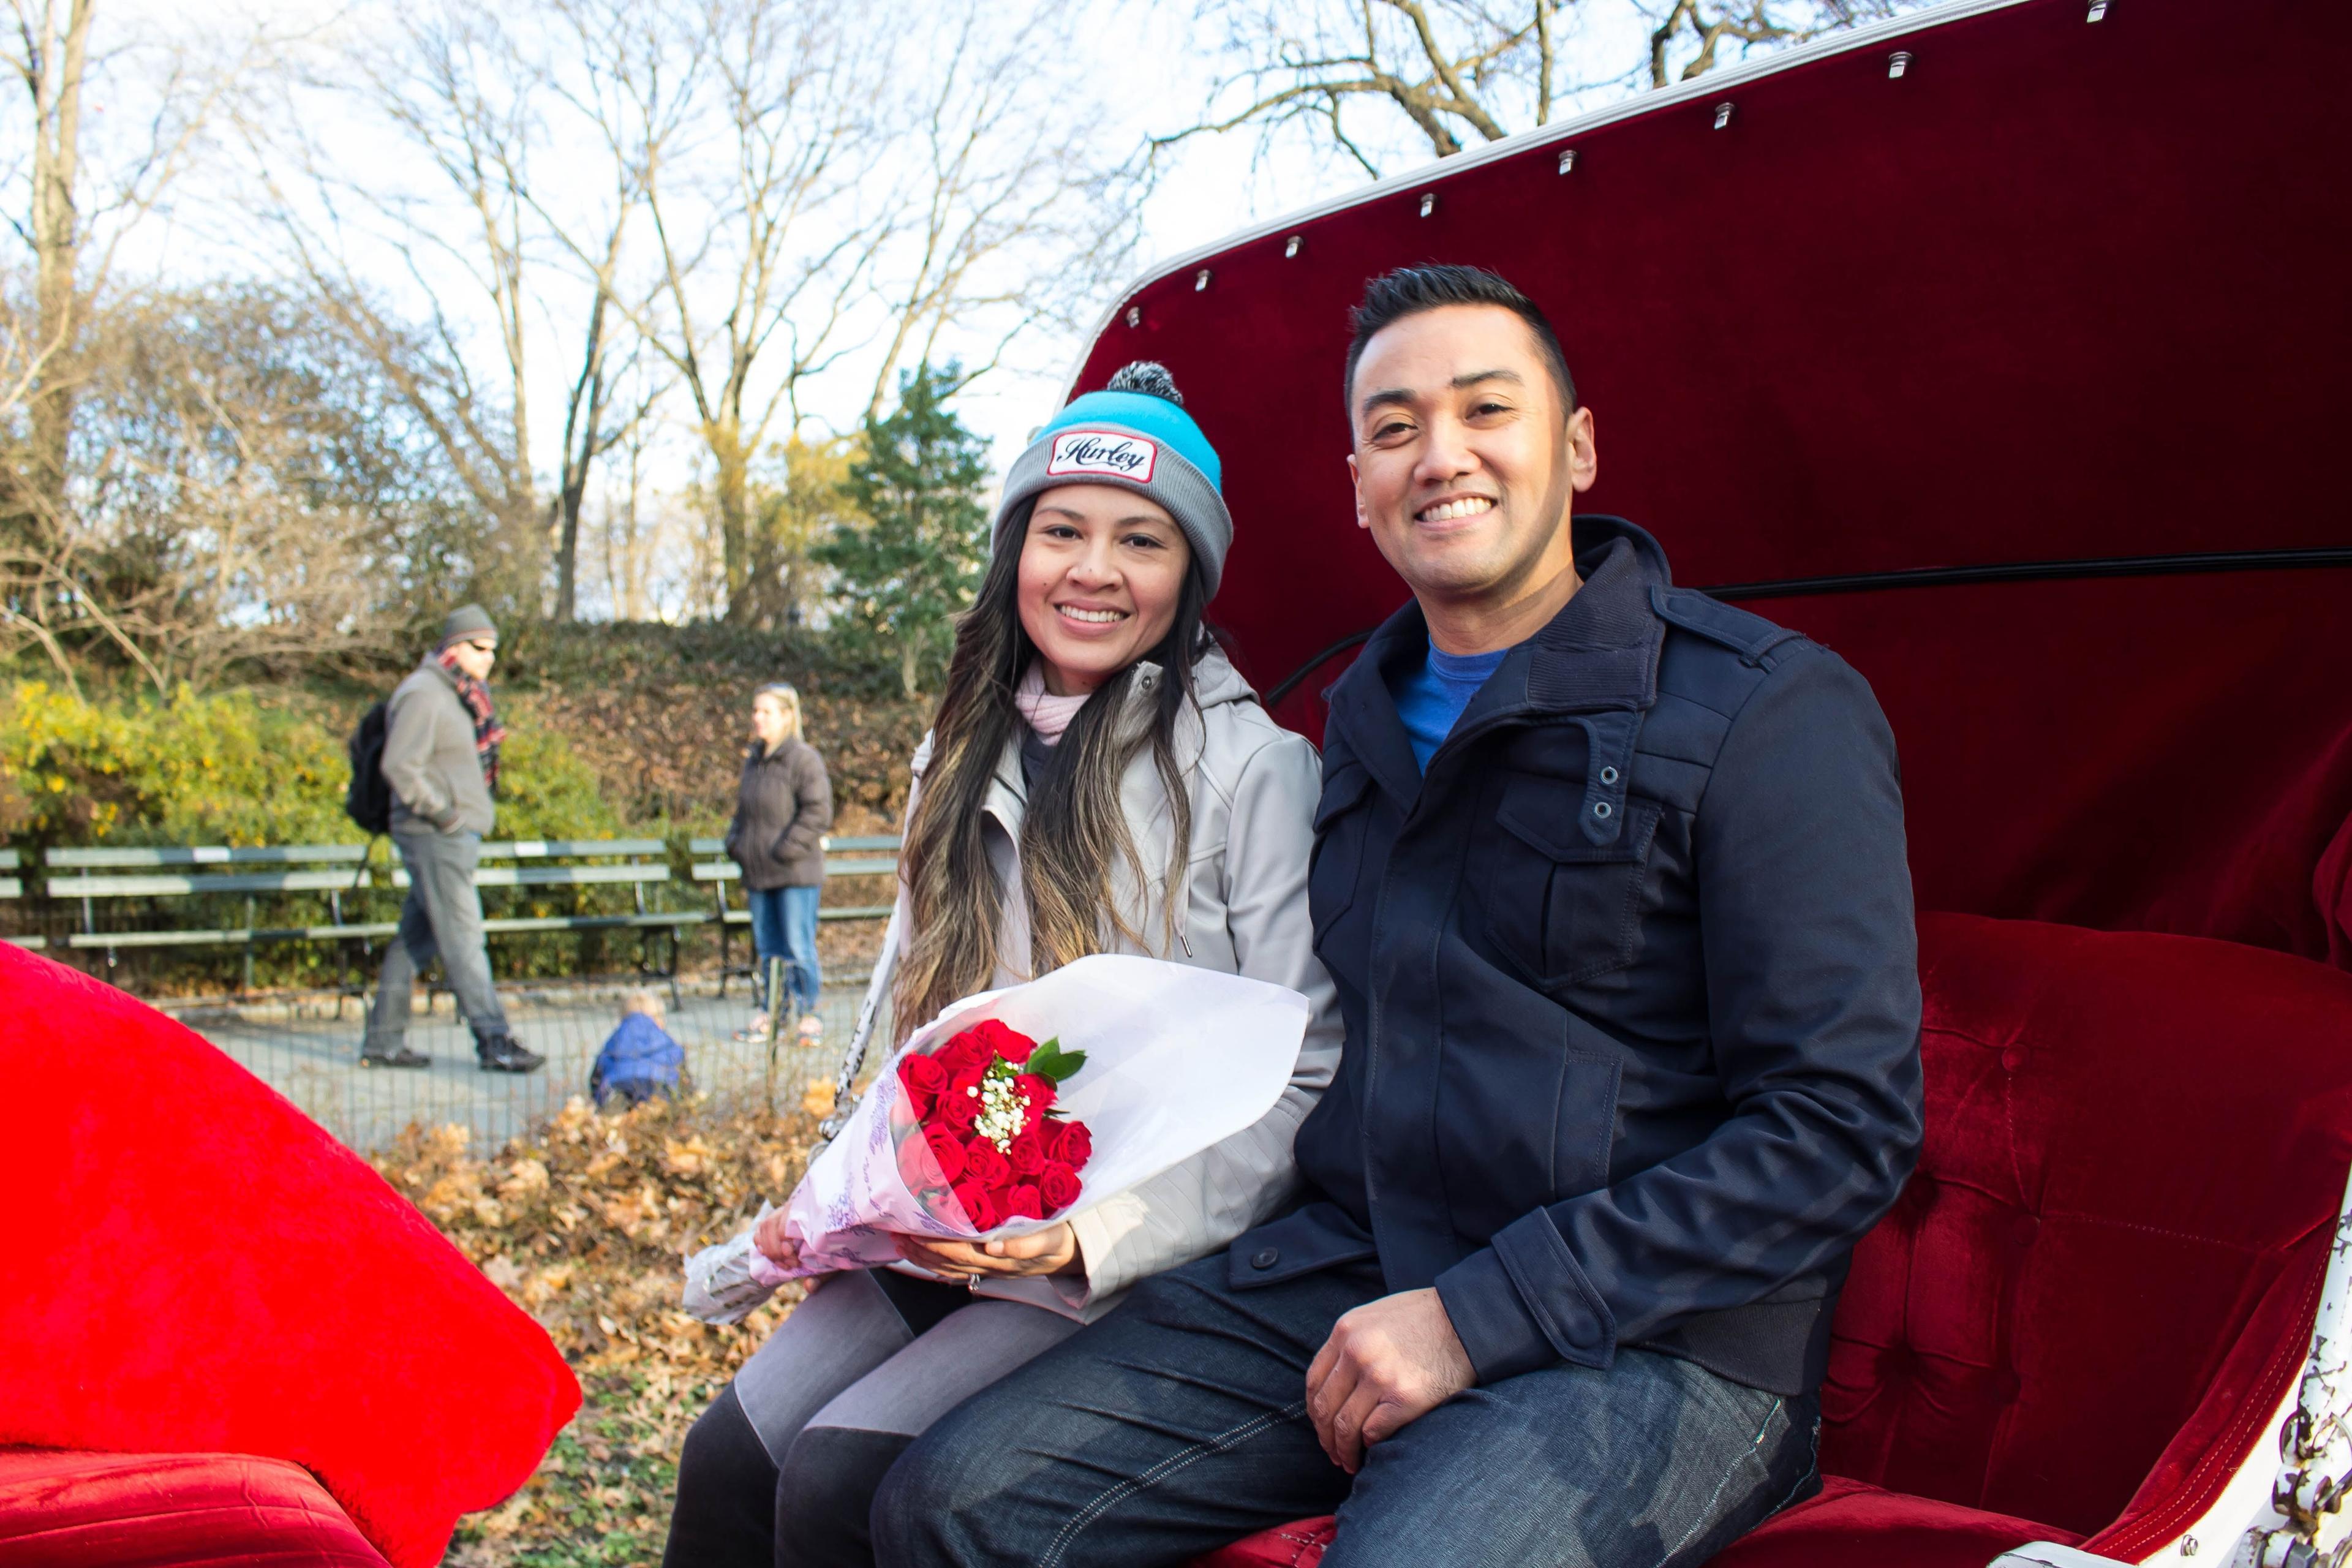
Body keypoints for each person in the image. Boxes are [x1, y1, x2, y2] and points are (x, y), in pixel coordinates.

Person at [870, 267, 1926, 1568]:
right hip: (1355, 1265)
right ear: (1360, 484)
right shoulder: (1354, 726)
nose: (1441, 455)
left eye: (1488, 409)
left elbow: (1838, 1122)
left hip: (1661, 1335)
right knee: (951, 1501)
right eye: (1394, 427)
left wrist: (1478, 1315)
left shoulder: (1766, 710)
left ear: (1578, 446)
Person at [660, 362, 1342, 1568]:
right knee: (731, 1451)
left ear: (1188, 574)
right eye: (1061, 528)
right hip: (940, 1214)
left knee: (842, 1472)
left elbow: (1308, 1070)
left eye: (1142, 539)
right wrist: (836, 1191)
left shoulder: (1252, 767)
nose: (1093, 569)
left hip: (1117, 1246)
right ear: (1014, 547)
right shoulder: (959, 745)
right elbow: (910, 1008)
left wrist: (1099, 1232)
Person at [360, 605, 544, 1074]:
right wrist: (445, 816)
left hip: (452, 835)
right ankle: (494, 1039)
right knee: (463, 937)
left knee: (414, 940)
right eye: (481, 648)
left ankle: (382, 1042)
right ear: (454, 647)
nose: (490, 659)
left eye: (494, 650)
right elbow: (401, 766)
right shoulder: (425, 693)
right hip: (433, 835)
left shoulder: (461, 695)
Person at [725, 682, 832, 1045]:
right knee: (768, 949)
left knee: (798, 947)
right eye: (755, 711)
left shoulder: (803, 759)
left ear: (788, 716)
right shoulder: (753, 761)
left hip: (795, 874)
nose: (758, 718)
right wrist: (736, 845)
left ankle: (809, 1015)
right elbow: (743, 815)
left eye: (766, 711)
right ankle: (773, 1014)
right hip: (759, 876)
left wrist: (785, 849)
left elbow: (818, 812)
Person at [589, 990, 686, 1108]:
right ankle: (659, 1101)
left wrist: (597, 1098)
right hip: (658, 1080)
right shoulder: (667, 1042)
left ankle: (617, 1097)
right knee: (665, 1095)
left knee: (613, 1092)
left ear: (623, 1020)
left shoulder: (616, 1040)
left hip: (619, 1081)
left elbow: (598, 1073)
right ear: (659, 1021)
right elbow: (680, 1066)